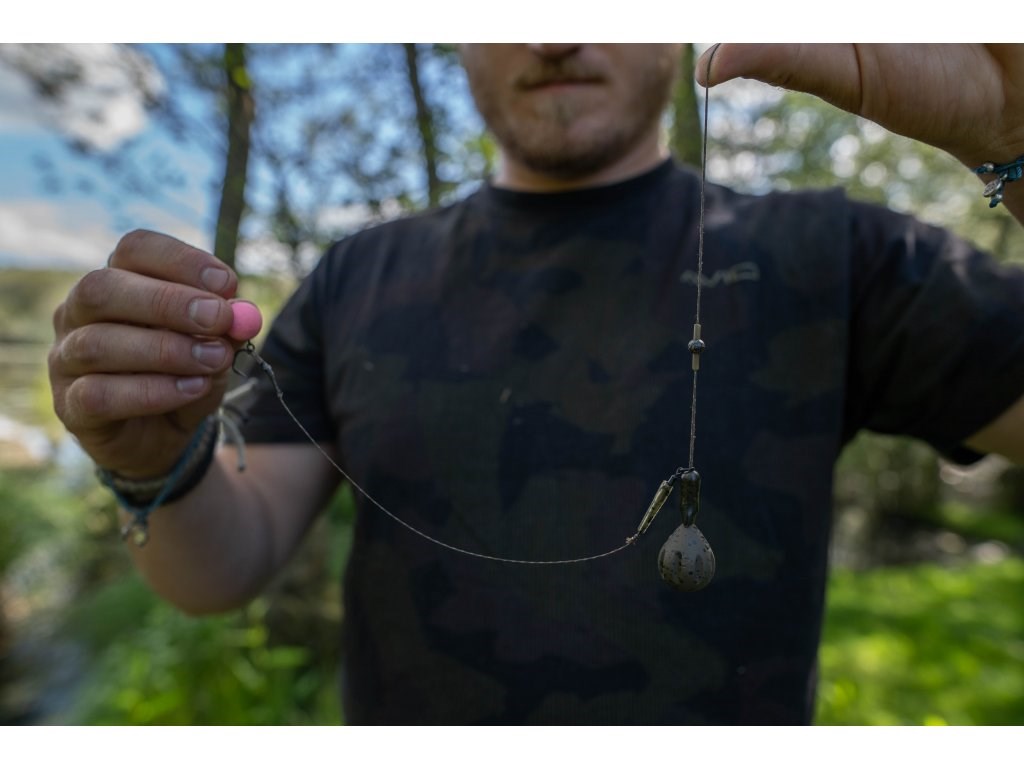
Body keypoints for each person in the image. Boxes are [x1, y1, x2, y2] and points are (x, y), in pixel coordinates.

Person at [48, 44, 1024, 724]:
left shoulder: (842, 254)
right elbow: (218, 570)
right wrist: (152, 463)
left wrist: (1016, 139)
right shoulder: (356, 274)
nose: (555, 35)